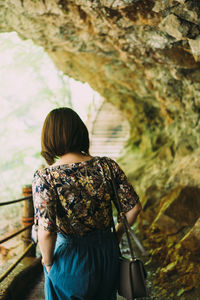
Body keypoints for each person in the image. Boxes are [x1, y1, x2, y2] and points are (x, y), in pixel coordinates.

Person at [32, 107, 142, 300]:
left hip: (71, 259)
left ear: (49, 138)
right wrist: (117, 233)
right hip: (107, 253)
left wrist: (48, 262)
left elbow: (47, 230)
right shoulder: (107, 166)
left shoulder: (46, 177)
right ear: (81, 132)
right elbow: (134, 207)